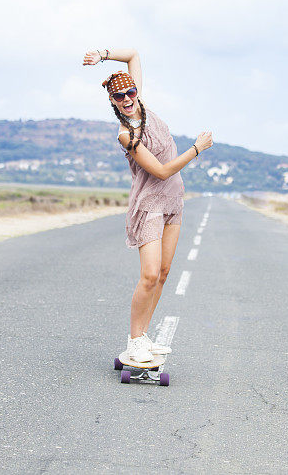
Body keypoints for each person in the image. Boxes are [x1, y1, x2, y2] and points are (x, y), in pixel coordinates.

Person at [83, 48, 213, 362]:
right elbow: (162, 170)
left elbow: (134, 56)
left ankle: (144, 336)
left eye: (130, 91)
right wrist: (197, 148)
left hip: (173, 202)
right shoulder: (125, 135)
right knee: (149, 275)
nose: (127, 98)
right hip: (150, 205)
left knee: (165, 272)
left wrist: (102, 55)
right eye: (119, 96)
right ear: (113, 102)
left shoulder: (143, 106)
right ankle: (134, 340)